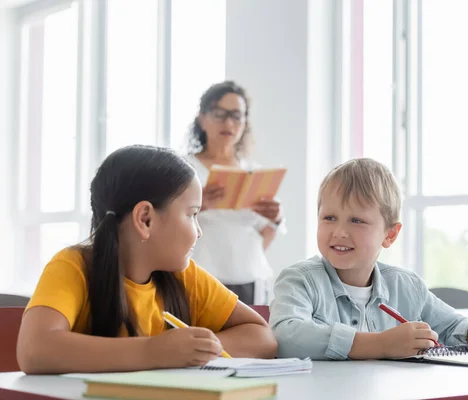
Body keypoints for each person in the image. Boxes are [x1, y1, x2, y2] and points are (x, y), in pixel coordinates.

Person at [16, 145, 277, 374]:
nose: (198, 230)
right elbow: (34, 349)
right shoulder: (74, 266)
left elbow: (262, 337)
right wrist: (155, 352)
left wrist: (196, 349)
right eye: (191, 214)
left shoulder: (185, 276)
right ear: (145, 219)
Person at [269, 158, 468, 360]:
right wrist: (380, 344)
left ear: (390, 234)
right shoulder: (299, 280)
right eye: (329, 218)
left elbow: (450, 325)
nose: (339, 232)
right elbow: (286, 337)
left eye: (357, 221)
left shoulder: (406, 286)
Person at [184, 81, 286, 305]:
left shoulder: (255, 172)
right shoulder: (184, 168)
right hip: (202, 273)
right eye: (220, 113)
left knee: (252, 336)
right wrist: (198, 204)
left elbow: (267, 231)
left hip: (251, 276)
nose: (229, 122)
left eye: (237, 115)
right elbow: (167, 221)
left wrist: (275, 218)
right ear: (202, 118)